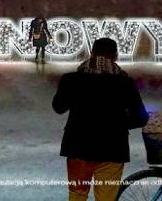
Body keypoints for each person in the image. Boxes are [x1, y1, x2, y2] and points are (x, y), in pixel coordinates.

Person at [53, 38, 148, 201]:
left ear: (92, 54)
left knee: (77, 194)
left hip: (78, 146)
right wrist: (118, 124)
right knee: (106, 198)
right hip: (113, 148)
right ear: (115, 56)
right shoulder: (125, 83)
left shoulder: (71, 79)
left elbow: (58, 107)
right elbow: (141, 118)